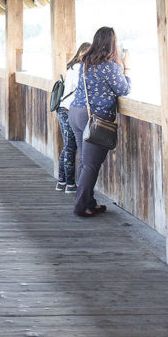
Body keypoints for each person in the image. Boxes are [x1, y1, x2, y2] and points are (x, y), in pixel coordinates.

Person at [68, 26, 131, 217]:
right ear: (112, 45)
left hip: (76, 113)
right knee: (90, 165)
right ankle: (80, 207)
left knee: (85, 163)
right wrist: (126, 68)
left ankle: (89, 202)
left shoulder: (86, 62)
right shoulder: (109, 67)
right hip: (94, 119)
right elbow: (124, 90)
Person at [56, 42, 91, 193]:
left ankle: (61, 181)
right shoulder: (80, 69)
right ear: (83, 53)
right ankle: (70, 184)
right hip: (68, 110)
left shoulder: (71, 66)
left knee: (67, 146)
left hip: (62, 109)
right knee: (71, 147)